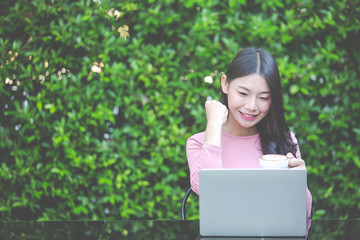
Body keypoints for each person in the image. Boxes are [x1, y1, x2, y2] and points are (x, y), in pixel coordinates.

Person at [186, 47, 312, 220]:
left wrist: (298, 183)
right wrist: (213, 124)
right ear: (225, 84)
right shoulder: (199, 143)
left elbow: (302, 218)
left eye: (263, 97)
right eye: (243, 93)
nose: (252, 106)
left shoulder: (285, 140)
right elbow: (207, 191)